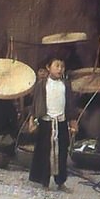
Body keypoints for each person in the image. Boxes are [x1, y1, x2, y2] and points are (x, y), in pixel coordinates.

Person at [29, 56, 75, 191]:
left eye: (62, 66)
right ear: (48, 68)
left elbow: (70, 104)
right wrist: (32, 120)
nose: (60, 69)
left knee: (61, 152)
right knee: (44, 152)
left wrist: (73, 121)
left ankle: (60, 182)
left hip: (61, 122)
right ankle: (44, 181)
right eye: (57, 66)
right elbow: (35, 104)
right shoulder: (42, 84)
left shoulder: (66, 84)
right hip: (46, 122)